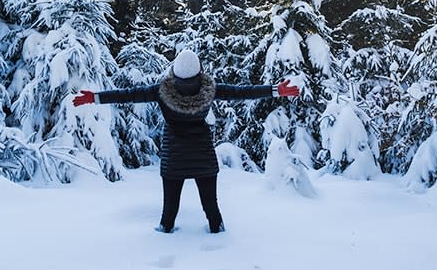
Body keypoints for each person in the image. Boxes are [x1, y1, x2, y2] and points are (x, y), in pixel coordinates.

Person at [72, 49, 299, 234]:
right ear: (200, 72)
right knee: (211, 206)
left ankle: (165, 231)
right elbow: (242, 92)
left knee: (169, 210)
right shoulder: (210, 90)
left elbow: (128, 94)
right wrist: (276, 90)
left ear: (174, 72)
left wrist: (95, 97)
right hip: (203, 156)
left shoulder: (160, 91)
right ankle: (217, 232)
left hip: (174, 158)